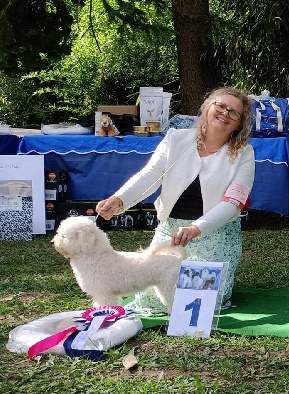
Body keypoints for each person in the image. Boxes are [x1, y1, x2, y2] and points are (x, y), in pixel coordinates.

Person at [96, 86, 255, 315]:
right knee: (151, 300)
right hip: (169, 234)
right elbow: (149, 176)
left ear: (239, 123)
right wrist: (119, 199)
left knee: (194, 299)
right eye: (220, 106)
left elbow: (233, 204)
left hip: (215, 235)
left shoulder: (244, 154)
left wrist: (195, 228)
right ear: (207, 108)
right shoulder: (175, 139)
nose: (225, 113)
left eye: (234, 112)